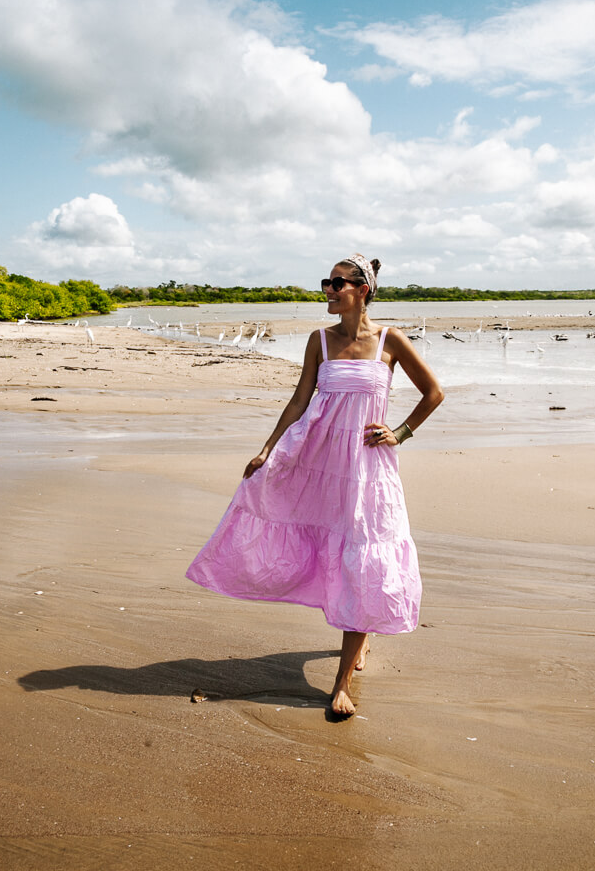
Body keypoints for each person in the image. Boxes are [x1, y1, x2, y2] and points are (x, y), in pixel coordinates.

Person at [186, 255, 444, 716]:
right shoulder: (319, 341)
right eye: (325, 282)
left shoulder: (390, 340)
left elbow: (434, 393)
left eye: (337, 283)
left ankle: (341, 681)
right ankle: (357, 642)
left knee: (362, 558)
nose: (328, 289)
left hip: (367, 468)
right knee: (328, 550)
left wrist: (400, 433)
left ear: (362, 289)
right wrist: (267, 449)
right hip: (319, 461)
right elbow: (301, 399)